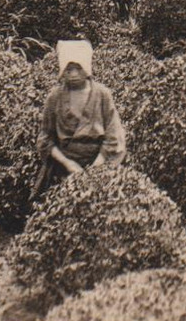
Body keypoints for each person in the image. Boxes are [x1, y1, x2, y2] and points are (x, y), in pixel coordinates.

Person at [30, 39, 127, 200]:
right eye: (69, 69)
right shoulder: (54, 97)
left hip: (99, 165)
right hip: (63, 167)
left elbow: (113, 135)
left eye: (78, 68)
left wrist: (95, 169)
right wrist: (68, 164)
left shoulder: (102, 95)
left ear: (87, 68)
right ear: (62, 71)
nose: (73, 74)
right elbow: (45, 138)